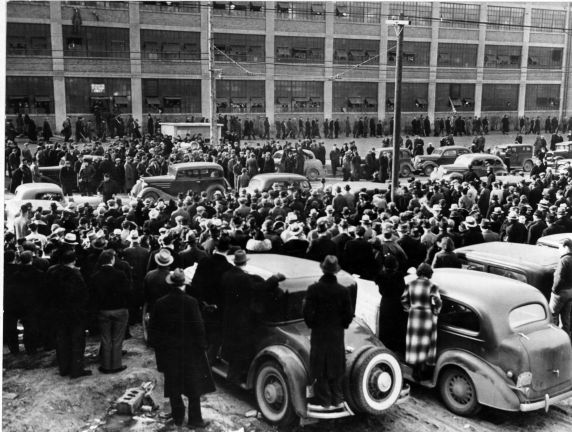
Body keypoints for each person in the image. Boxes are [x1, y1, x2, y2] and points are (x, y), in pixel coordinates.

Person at [149, 268, 215, 428]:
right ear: (184, 284)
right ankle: (195, 420)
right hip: (189, 351)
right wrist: (202, 346)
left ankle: (178, 417)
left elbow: (153, 330)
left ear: (171, 284)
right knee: (193, 385)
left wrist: (159, 349)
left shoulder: (160, 303)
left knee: (173, 384)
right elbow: (199, 328)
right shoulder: (191, 302)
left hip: (169, 351)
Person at [221, 250, 285, 384]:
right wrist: (275, 278)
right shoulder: (244, 278)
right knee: (242, 347)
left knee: (234, 346)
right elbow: (260, 288)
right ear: (244, 262)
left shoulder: (226, 275)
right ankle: (235, 378)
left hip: (229, 316)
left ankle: (233, 374)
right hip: (242, 318)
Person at [303, 255, 353, 410]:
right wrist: (341, 325)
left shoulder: (313, 289)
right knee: (336, 364)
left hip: (319, 332)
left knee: (320, 365)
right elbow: (348, 315)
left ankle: (324, 400)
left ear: (323, 269)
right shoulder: (343, 291)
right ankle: (337, 398)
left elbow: (307, 312)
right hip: (336, 333)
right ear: (336, 271)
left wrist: (313, 324)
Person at [47, 250, 92, 378]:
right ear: (74, 260)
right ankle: (76, 370)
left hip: (58, 312)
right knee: (77, 341)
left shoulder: (52, 272)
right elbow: (83, 294)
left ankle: (64, 368)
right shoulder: (75, 274)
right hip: (75, 313)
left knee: (62, 340)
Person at [90, 249, 131, 373]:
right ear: (112, 260)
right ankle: (116, 365)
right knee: (117, 339)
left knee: (106, 338)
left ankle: (106, 366)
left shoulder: (95, 277)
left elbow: (93, 296)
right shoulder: (120, 274)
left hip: (103, 311)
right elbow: (127, 292)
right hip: (120, 309)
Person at [401, 263, 442, 381]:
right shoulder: (433, 286)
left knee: (414, 343)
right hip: (426, 315)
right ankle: (422, 372)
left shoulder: (410, 284)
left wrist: (409, 308)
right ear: (429, 273)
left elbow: (403, 299)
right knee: (425, 343)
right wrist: (435, 311)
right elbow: (437, 301)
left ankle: (414, 371)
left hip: (414, 315)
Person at [375, 255, 407, 354]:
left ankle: (385, 346)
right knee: (395, 325)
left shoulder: (381, 275)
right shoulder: (399, 275)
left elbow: (380, 290)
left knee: (385, 325)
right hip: (396, 303)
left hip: (385, 302)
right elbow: (402, 290)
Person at [549, 239, 572, 339]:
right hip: (571, 291)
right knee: (565, 317)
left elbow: (559, 278)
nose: (559, 250)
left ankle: (553, 338)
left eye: (560, 248)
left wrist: (554, 290)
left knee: (553, 315)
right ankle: (565, 338)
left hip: (561, 292)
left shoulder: (564, 260)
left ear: (565, 247)